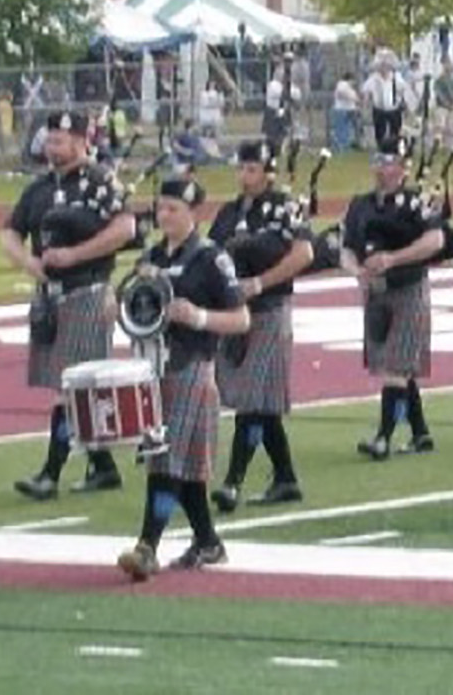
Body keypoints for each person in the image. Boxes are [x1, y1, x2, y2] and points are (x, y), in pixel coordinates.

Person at [116, 178, 250, 580]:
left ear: (194, 212)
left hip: (192, 363)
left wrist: (199, 317)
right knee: (185, 464)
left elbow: (241, 319)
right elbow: (128, 304)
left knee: (166, 456)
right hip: (153, 366)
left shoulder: (211, 258)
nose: (164, 216)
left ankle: (147, 547)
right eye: (161, 208)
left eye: (173, 208)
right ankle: (208, 542)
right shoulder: (152, 256)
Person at [8, 111, 135, 500]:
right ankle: (103, 467)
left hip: (87, 291)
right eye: (49, 139)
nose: (51, 147)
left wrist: (75, 255)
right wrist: (27, 262)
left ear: (81, 141)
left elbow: (125, 228)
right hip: (49, 296)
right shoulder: (39, 188)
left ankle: (50, 474)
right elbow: (10, 233)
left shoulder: (100, 181)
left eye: (59, 140)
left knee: (70, 387)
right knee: (73, 386)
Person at [207, 141, 315, 512]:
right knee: (260, 402)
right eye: (240, 168)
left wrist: (259, 283)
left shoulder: (285, 207)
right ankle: (286, 478)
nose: (243, 175)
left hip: (270, 308)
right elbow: (211, 254)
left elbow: (304, 253)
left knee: (252, 398)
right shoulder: (228, 211)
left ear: (268, 172)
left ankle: (232, 483)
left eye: (251, 169)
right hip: (236, 313)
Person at [342, 135, 446, 459]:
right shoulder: (360, 204)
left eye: (388, 163)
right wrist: (357, 271)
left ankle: (383, 437)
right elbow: (346, 247)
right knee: (397, 366)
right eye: (378, 161)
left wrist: (393, 259)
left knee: (396, 365)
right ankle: (421, 433)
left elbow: (435, 240)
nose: (381, 169)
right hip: (375, 293)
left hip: (408, 288)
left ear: (403, 168)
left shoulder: (417, 203)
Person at [362, 55, 411, 145]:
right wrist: (365, 105)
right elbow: (366, 92)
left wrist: (406, 107)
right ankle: (381, 147)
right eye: (382, 66)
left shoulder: (396, 78)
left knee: (396, 131)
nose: (384, 68)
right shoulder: (373, 79)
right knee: (379, 131)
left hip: (394, 108)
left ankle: (394, 147)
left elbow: (403, 92)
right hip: (379, 109)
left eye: (386, 66)